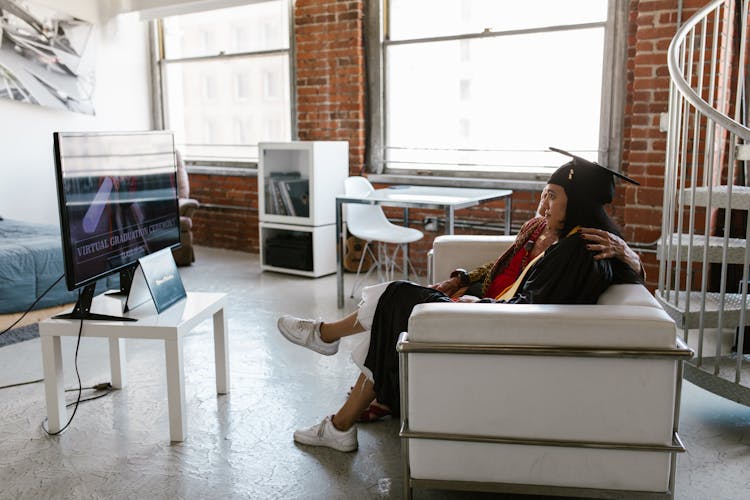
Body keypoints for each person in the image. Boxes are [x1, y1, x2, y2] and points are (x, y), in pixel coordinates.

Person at [277, 148, 644, 452]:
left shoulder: (584, 250)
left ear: (577, 202)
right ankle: (339, 420)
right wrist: (461, 280)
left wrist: (632, 258)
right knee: (390, 311)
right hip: (481, 307)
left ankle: (325, 338)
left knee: (395, 294)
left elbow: (536, 310)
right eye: (544, 192)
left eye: (553, 196)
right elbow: (502, 267)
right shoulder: (538, 228)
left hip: (492, 325)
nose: (543, 204)